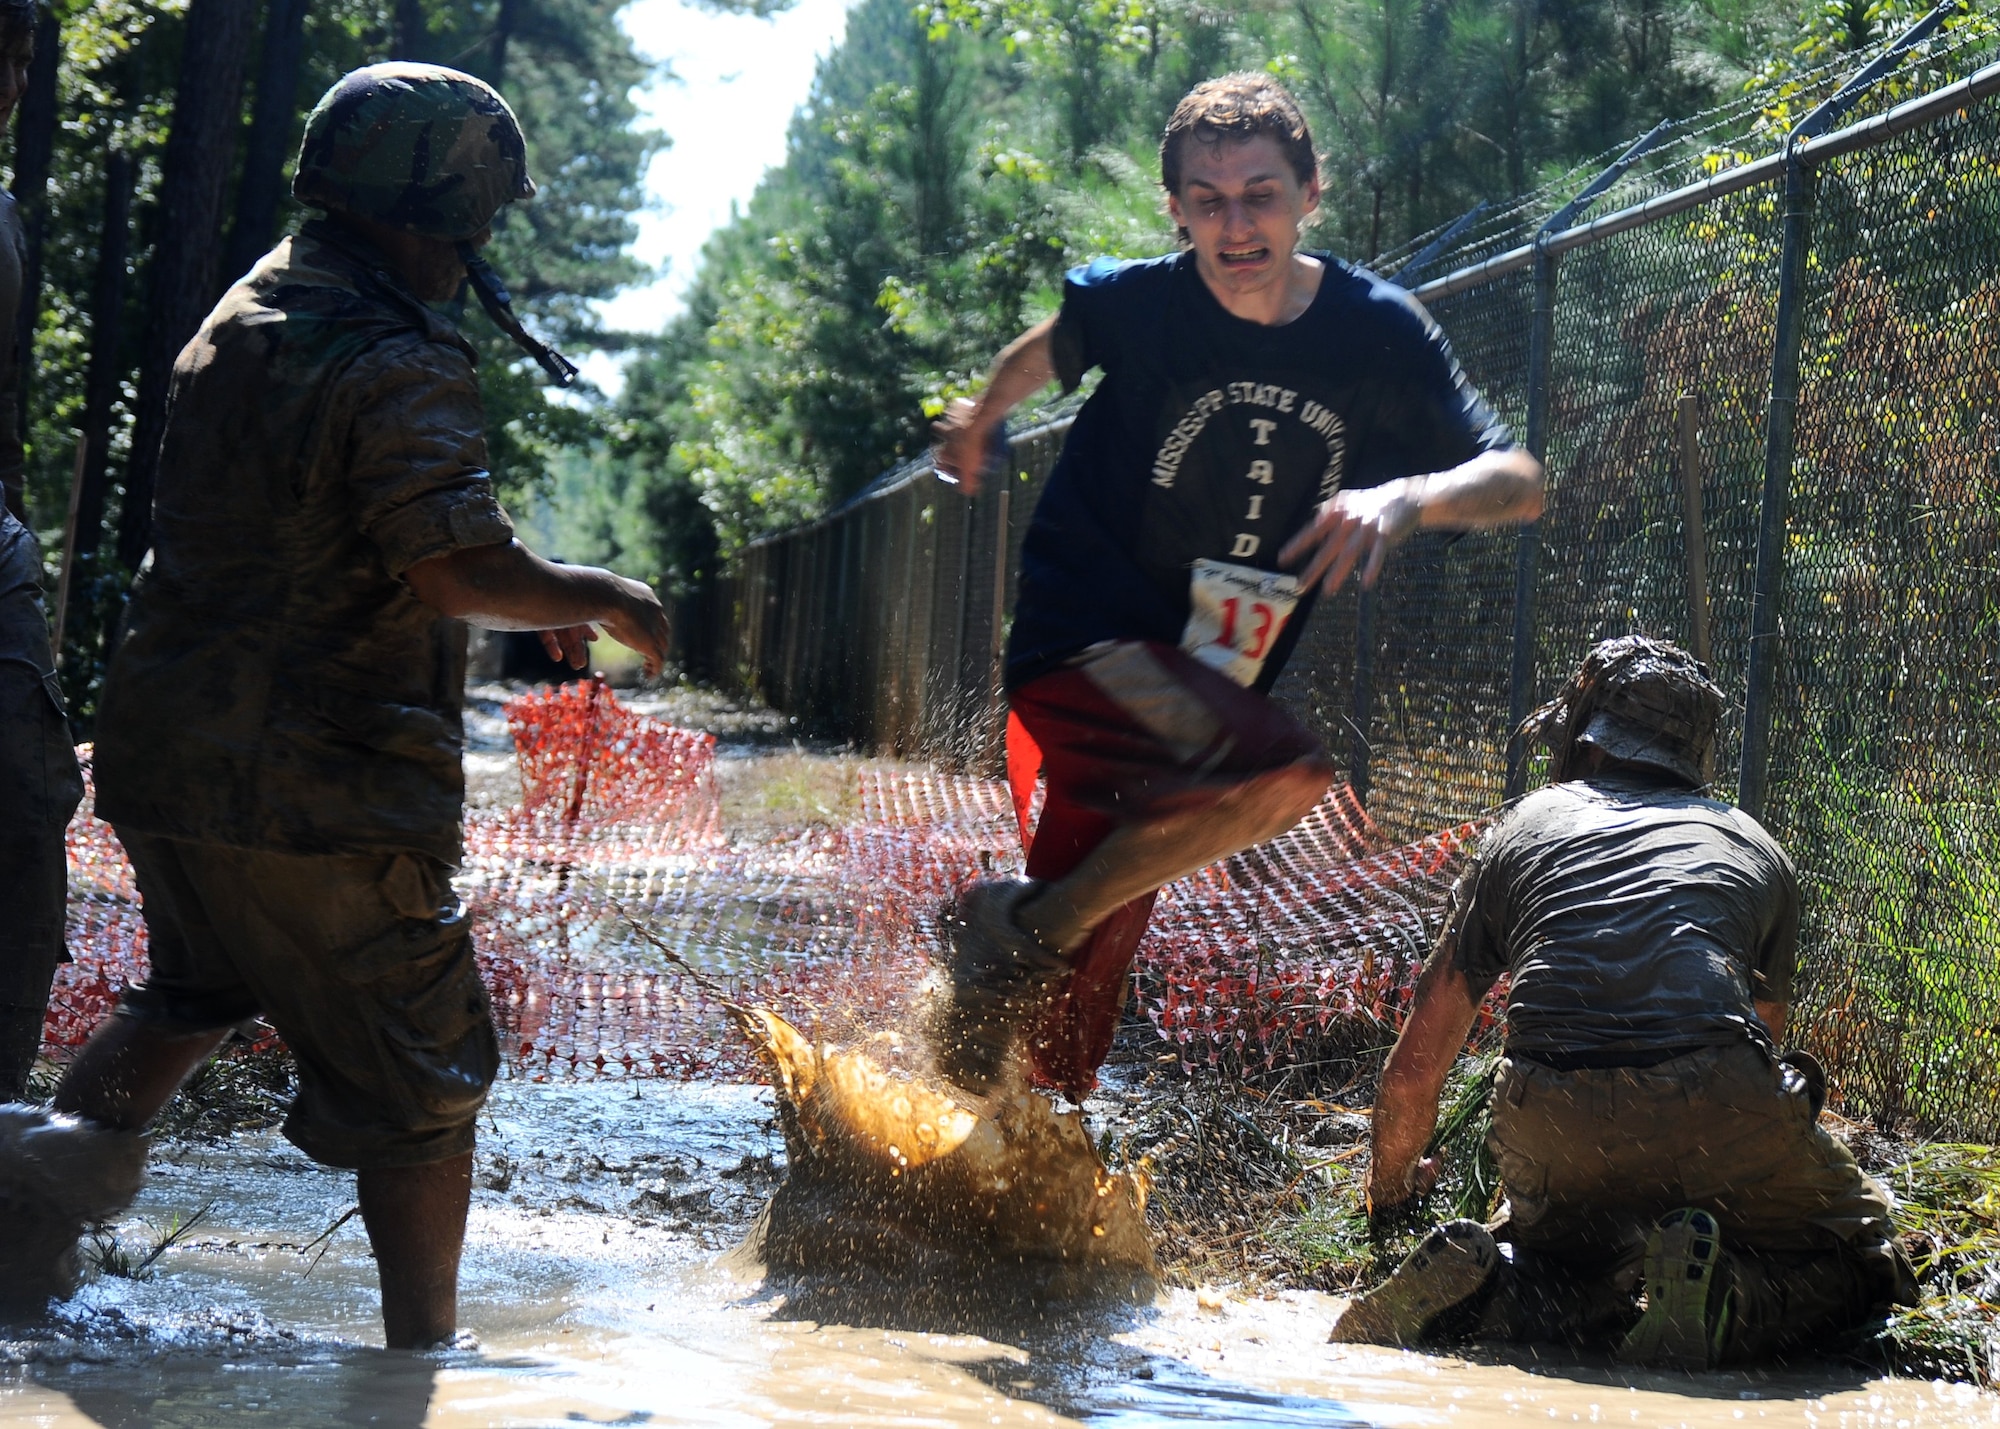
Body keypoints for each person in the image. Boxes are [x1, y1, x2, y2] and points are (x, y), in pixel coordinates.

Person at [0, 63, 671, 1346]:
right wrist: (603, 592)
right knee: (425, 1079)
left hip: (174, 752)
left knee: (187, 994)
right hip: (322, 780)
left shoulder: (240, 313)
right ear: (438, 205)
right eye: (480, 210)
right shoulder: (390, 349)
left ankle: (15, 1273)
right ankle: (424, 1358)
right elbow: (453, 566)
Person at [925, 72, 1544, 1100]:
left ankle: (969, 1107)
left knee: (1078, 984)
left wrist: (1407, 497)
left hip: (1214, 668)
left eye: (1259, 192)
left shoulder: (1371, 328)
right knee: (1278, 778)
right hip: (1088, 636)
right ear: (1174, 211)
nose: (1235, 222)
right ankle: (1020, 927)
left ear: (1311, 192)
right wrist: (982, 416)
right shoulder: (1141, 304)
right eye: (1207, 201)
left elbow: (1519, 481)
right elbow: (1044, 350)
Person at [1329, 636, 1918, 1368]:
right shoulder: (1755, 845)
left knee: (1580, 1270)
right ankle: (1728, 1300)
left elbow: (1415, 1067)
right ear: (1692, 757)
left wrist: (1390, 1196)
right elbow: (1760, 1051)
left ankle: (1488, 1281)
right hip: (1716, 1102)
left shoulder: (1526, 826)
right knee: (1866, 1257)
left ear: (1590, 744)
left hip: (1549, 1110)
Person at [0, 0, 83, 1101]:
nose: (11, 82)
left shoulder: (5, 218)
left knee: (27, 806)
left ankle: (7, 1128)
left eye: (21, 58)